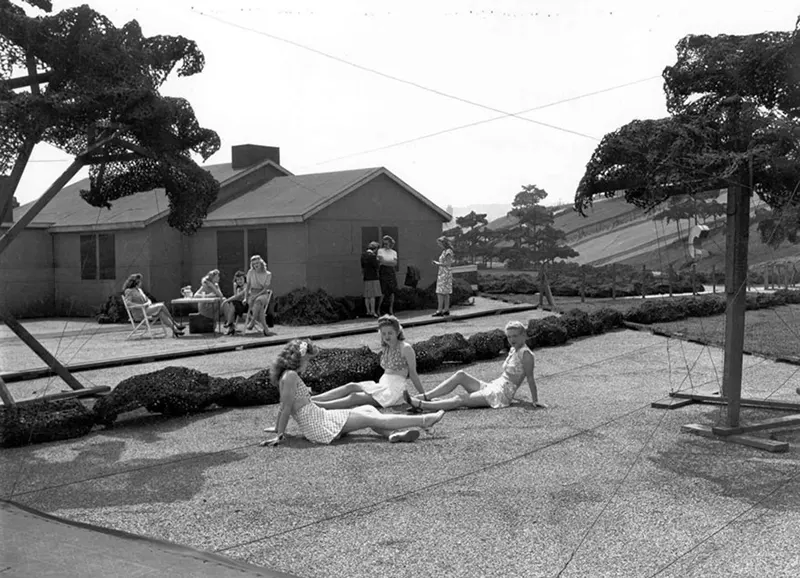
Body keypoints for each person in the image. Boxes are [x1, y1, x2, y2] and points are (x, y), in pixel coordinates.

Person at [260, 339, 446, 446]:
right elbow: (285, 408)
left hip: (318, 418)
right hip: (317, 423)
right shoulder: (291, 375)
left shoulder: (286, 375)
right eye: (307, 360)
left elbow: (284, 406)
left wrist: (278, 429)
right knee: (372, 418)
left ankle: (391, 435)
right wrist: (280, 434)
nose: (308, 364)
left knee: (367, 409)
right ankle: (424, 421)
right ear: (297, 359)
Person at [404, 321, 547, 411]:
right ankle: (424, 396)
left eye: (515, 336)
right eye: (509, 336)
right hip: (494, 386)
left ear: (524, 335)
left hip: (501, 395)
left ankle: (422, 405)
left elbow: (530, 379)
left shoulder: (526, 355)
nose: (512, 339)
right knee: (461, 375)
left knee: (460, 399)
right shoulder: (513, 349)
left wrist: (535, 401)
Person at [311, 315, 427, 410]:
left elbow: (413, 374)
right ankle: (313, 399)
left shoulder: (405, 348)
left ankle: (317, 406)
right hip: (382, 385)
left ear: (397, 332)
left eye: (390, 333)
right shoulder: (386, 347)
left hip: (393, 391)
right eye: (384, 333)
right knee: (351, 386)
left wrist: (424, 395)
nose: (387, 336)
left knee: (354, 397)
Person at [121, 273, 184, 337]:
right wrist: (141, 305)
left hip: (147, 309)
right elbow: (128, 303)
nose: (141, 282)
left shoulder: (140, 290)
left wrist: (148, 302)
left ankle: (174, 329)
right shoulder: (129, 291)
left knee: (161, 313)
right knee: (161, 305)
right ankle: (175, 323)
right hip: (140, 312)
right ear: (136, 282)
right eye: (139, 281)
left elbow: (148, 299)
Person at [245, 255, 276, 337]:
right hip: (252, 293)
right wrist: (245, 297)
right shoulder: (250, 272)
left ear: (261, 263)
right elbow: (247, 286)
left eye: (257, 263)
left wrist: (256, 296)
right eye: (254, 263)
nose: (256, 265)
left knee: (259, 301)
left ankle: (252, 321)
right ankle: (266, 329)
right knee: (260, 308)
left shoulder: (268, 274)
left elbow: (265, 289)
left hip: (262, 294)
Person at [433, 236, 455, 317]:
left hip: (445, 273)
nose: (439, 245)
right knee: (445, 293)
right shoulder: (445, 251)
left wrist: (437, 263)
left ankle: (440, 310)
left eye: (440, 243)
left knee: (440, 292)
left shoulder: (448, 251)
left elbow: (448, 263)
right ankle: (446, 309)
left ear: (443, 243)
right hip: (443, 273)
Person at [221, 270, 248, 336]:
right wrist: (234, 286)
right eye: (237, 280)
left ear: (244, 279)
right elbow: (236, 296)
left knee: (232, 304)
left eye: (241, 279)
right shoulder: (238, 287)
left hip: (247, 306)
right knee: (232, 306)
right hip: (239, 306)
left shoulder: (246, 286)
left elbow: (238, 296)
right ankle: (230, 327)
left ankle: (228, 323)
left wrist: (225, 301)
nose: (239, 281)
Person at [377, 235, 398, 315]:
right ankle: (378, 309)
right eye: (384, 244)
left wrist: (385, 262)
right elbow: (380, 261)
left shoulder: (393, 252)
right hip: (383, 271)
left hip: (391, 272)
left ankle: (391, 309)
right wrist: (389, 262)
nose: (385, 245)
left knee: (392, 291)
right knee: (383, 291)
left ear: (390, 244)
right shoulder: (380, 251)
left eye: (386, 243)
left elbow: (395, 263)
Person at [361, 241, 381, 318]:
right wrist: (378, 260)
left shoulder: (363, 255)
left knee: (367, 296)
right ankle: (373, 311)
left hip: (366, 277)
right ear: (375, 249)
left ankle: (368, 311)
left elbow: (362, 266)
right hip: (373, 277)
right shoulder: (372, 256)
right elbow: (377, 266)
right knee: (372, 296)